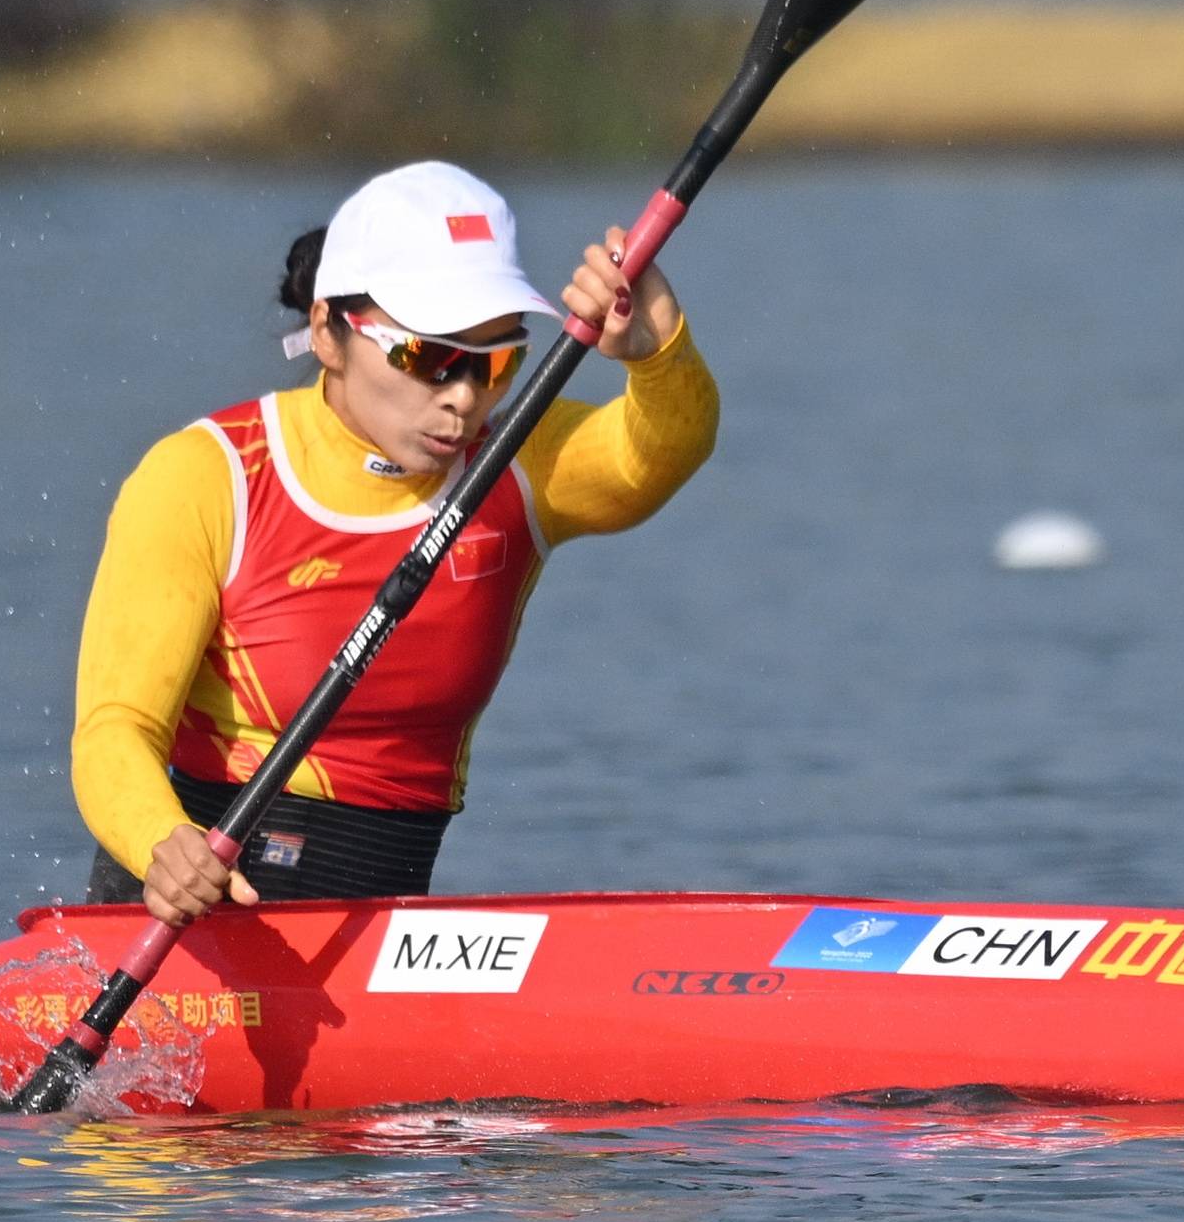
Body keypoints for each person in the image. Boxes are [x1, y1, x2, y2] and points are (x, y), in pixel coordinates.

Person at [72, 161, 719, 925]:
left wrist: (656, 353)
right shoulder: (208, 476)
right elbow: (115, 729)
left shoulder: (516, 457)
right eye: (428, 356)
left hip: (384, 943)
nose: (464, 396)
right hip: (183, 925)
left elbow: (656, 455)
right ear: (327, 333)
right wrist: (161, 843)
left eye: (496, 360)